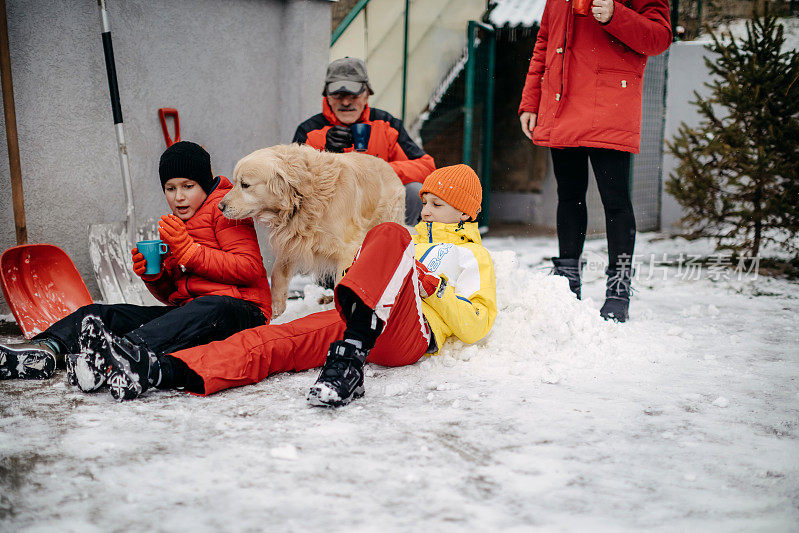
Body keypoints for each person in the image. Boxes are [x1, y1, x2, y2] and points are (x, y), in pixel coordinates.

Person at [68, 164, 497, 406]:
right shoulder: (416, 239)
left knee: (387, 232)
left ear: (463, 213)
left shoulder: (471, 256)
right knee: (272, 340)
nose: (424, 212)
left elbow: (478, 323)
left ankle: (348, 359)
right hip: (355, 326)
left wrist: (435, 286)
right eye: (423, 202)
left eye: (436, 205)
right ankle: (157, 370)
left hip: (409, 335)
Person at [0, 141, 272, 389]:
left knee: (211, 306)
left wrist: (189, 252)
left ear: (204, 184)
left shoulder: (226, 211)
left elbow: (249, 268)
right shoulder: (178, 225)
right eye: (170, 188)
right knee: (102, 313)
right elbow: (175, 297)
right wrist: (155, 277)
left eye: (188, 186)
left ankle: (119, 351)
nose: (179, 197)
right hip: (194, 315)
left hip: (242, 313)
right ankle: (45, 349)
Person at [518, 0, 671, 322]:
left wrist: (617, 15)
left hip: (610, 102)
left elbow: (658, 39)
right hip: (561, 102)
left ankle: (618, 289)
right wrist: (531, 101)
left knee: (615, 201)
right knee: (569, 196)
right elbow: (544, 43)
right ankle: (567, 285)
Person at [293, 57, 436, 226]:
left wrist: (379, 170)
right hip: (331, 218)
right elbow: (295, 186)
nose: (346, 102)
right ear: (327, 96)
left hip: (380, 210)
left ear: (367, 94)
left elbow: (427, 167)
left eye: (353, 94)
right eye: (338, 95)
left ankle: (401, 247)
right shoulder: (309, 131)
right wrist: (327, 156)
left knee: (414, 191)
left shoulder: (386, 124)